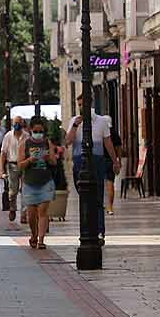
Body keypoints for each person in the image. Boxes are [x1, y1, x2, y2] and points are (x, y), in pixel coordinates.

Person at [68, 97, 118, 240]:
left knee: (97, 197)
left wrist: (115, 161)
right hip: (79, 161)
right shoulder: (74, 121)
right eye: (78, 105)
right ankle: (86, 228)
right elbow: (67, 141)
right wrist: (75, 126)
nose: (80, 107)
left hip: (97, 161)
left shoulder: (101, 121)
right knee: (83, 197)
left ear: (90, 104)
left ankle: (99, 231)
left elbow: (108, 143)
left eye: (83, 104)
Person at [18, 115, 60, 249]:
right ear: (30, 130)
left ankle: (41, 240)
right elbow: (20, 165)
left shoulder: (47, 143)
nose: (38, 134)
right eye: (35, 131)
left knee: (43, 211)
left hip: (45, 182)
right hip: (29, 183)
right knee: (31, 215)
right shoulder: (25, 144)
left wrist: (48, 157)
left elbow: (54, 162)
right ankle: (34, 235)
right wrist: (30, 160)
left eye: (40, 131)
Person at [0, 116, 28, 223]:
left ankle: (24, 214)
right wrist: (1, 170)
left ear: (23, 124)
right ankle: (12, 208)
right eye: (15, 122)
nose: (17, 125)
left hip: (24, 166)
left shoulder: (27, 136)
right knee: (13, 191)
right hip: (12, 165)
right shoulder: (8, 136)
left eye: (19, 122)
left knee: (25, 190)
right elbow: (3, 154)